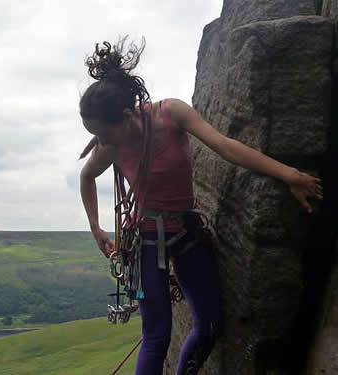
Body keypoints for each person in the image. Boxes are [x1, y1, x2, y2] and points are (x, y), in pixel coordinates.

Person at [78, 37, 323, 375]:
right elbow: (87, 176)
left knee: (209, 325)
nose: (100, 144)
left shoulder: (171, 114)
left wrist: (290, 175)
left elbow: (227, 147)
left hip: (186, 230)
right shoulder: (110, 148)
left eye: (103, 134)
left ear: (124, 116)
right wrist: (95, 227)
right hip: (147, 240)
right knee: (156, 337)